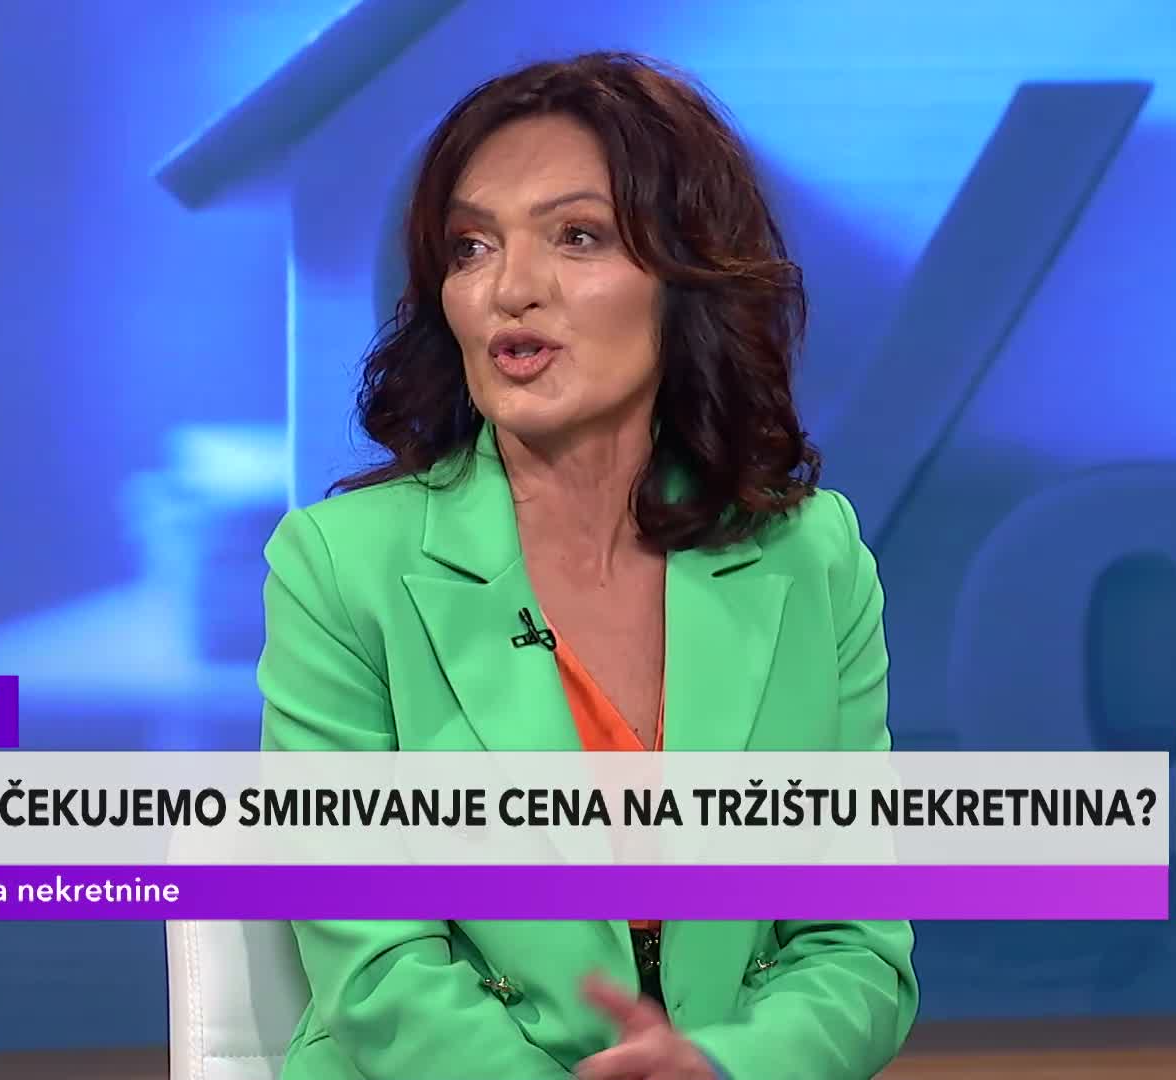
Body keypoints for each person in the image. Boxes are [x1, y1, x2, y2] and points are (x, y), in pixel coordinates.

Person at [257, 51, 917, 1080]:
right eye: (471, 247)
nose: (511, 289)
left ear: (684, 275)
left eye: (577, 236)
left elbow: (852, 947)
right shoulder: (340, 567)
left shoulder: (811, 556)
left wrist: (724, 1066)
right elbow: (379, 968)